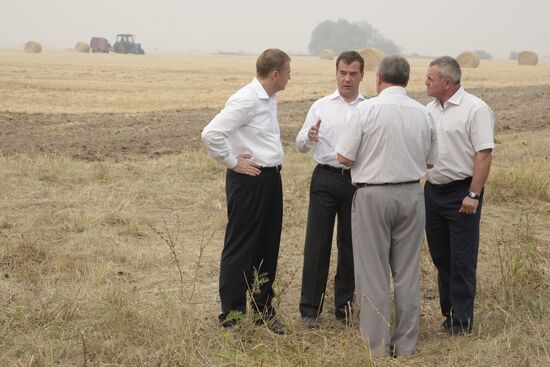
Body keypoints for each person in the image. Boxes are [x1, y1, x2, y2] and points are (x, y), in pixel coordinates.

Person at [336, 55, 437, 357]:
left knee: (373, 271)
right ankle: (405, 345)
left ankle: (376, 345)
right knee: (407, 272)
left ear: (378, 78)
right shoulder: (424, 113)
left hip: (373, 195)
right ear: (407, 79)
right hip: (411, 194)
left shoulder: (366, 110)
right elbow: (430, 160)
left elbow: (344, 157)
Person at [201, 48, 291, 334]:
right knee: (241, 247)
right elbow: (211, 133)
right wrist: (232, 162)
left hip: (270, 180)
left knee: (267, 246)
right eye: (288, 72)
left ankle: (263, 310)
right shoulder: (246, 99)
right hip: (249, 181)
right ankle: (232, 316)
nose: (290, 77)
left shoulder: (269, 99)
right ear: (275, 74)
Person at [424, 56, 494, 336]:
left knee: (462, 259)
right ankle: (449, 315)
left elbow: (484, 154)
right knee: (441, 256)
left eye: (430, 78)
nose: (425, 82)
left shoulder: (475, 109)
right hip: (432, 192)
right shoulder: (428, 110)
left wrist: (473, 194)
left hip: (462, 193)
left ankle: (463, 321)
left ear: (447, 82)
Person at [295, 51, 366, 328]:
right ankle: (310, 309)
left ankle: (344, 307)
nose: (347, 78)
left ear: (362, 75)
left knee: (350, 245)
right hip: (324, 180)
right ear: (336, 73)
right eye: (342, 72)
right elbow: (300, 144)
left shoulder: (368, 108)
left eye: (353, 73)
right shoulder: (321, 106)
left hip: (356, 181)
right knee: (317, 244)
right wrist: (308, 136)